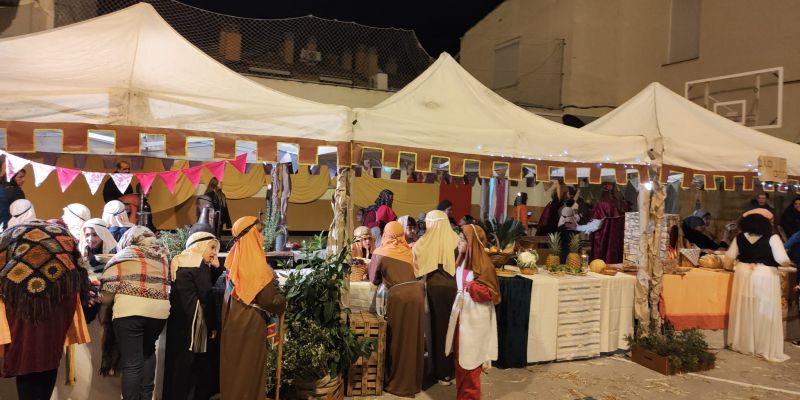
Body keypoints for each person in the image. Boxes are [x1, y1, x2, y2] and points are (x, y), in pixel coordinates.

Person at [0, 220, 89, 400]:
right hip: (57, 303)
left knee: (25, 358)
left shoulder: (10, 235)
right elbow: (80, 272)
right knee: (48, 357)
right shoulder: (63, 236)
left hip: (20, 304)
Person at [100, 226, 170, 400]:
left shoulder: (123, 256)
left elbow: (106, 292)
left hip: (130, 311)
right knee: (147, 352)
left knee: (131, 364)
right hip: (159, 312)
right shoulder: (162, 257)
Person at [220, 216, 286, 400]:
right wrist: (282, 303)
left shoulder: (236, 257)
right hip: (249, 322)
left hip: (234, 319)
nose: (264, 238)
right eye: (261, 233)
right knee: (248, 370)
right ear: (251, 235)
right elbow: (268, 299)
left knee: (234, 368)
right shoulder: (254, 262)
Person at [725, 208, 790, 362]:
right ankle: (762, 346)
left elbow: (729, 258)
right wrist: (787, 262)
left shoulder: (739, 237)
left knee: (745, 307)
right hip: (765, 274)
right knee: (765, 310)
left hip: (742, 273)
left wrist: (730, 267)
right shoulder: (773, 237)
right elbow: (782, 259)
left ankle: (744, 344)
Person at [368, 221, 424, 397]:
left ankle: (398, 384)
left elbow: (373, 279)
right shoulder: (408, 251)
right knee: (413, 340)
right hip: (417, 293)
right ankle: (413, 383)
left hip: (399, 297)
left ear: (385, 234)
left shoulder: (380, 252)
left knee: (398, 341)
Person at [445, 224, 500, 400]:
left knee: (471, 363)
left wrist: (472, 287)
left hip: (475, 320)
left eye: (462, 240)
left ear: (471, 243)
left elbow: (493, 294)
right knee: (460, 362)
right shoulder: (462, 261)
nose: (458, 243)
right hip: (461, 317)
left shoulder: (484, 266)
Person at [163, 232, 220, 400]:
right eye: (211, 247)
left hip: (177, 319)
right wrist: (213, 325)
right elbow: (206, 296)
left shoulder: (178, 260)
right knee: (190, 367)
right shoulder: (199, 263)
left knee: (176, 364)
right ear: (200, 245)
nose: (214, 253)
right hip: (194, 320)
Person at [412, 210, 460, 385]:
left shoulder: (423, 242)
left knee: (437, 330)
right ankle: (451, 369)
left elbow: (415, 263)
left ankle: (440, 372)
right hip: (454, 288)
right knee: (452, 329)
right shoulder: (456, 240)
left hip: (434, 288)